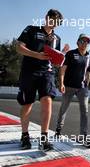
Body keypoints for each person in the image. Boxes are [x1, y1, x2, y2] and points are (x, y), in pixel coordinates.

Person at [16, 9, 64, 151]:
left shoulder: (57, 38)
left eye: (58, 22)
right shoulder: (31, 29)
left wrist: (61, 58)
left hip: (47, 72)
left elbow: (55, 61)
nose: (55, 23)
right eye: (53, 19)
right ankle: (25, 136)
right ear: (47, 17)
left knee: (47, 100)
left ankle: (44, 138)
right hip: (29, 71)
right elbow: (18, 47)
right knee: (27, 104)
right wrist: (36, 55)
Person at [55, 34, 90, 146]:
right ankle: (58, 130)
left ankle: (83, 136)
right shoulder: (71, 54)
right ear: (78, 42)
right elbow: (63, 70)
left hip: (82, 88)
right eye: (82, 41)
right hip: (69, 86)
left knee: (85, 111)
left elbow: (88, 73)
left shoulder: (89, 58)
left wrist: (87, 85)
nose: (84, 43)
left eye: (87, 42)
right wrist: (61, 83)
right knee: (64, 108)